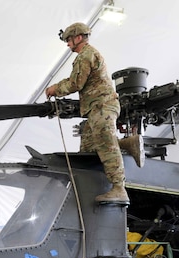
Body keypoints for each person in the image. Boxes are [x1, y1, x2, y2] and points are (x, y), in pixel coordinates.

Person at [45, 22, 143, 204]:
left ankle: (119, 188)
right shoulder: (86, 55)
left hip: (102, 107)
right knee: (89, 150)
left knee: (105, 144)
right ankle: (126, 144)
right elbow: (76, 80)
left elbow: (75, 84)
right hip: (94, 110)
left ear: (78, 37)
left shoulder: (85, 56)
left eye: (69, 40)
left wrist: (55, 89)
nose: (68, 44)